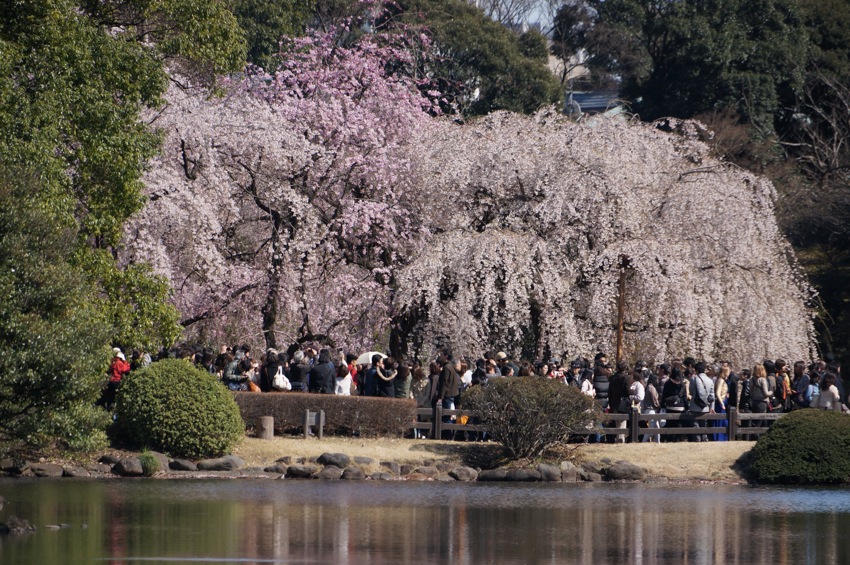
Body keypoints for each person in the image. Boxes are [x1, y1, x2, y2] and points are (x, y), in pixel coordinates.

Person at [687, 362, 715, 442]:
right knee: (704, 424)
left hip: (695, 406)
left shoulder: (693, 379)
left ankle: (697, 440)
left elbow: (691, 391)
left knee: (695, 424)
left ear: (696, 370)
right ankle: (705, 439)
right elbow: (712, 396)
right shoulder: (710, 380)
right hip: (705, 407)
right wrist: (711, 407)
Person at [661, 367, 688, 442]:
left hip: (670, 407)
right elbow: (684, 397)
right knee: (679, 427)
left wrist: (662, 406)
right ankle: (679, 440)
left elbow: (664, 396)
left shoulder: (667, 383)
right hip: (680, 408)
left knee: (670, 426)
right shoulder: (682, 385)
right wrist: (687, 407)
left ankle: (670, 440)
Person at [641, 372, 661, 443]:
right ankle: (643, 442)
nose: (658, 381)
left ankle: (658, 442)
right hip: (651, 410)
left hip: (648, 410)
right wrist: (658, 405)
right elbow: (654, 400)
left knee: (656, 427)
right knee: (651, 428)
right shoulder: (651, 388)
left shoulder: (648, 387)